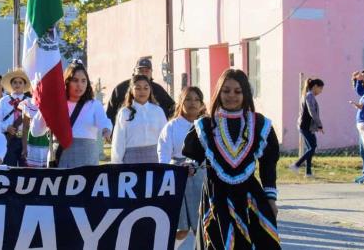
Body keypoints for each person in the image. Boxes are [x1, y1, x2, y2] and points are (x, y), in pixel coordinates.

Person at [183, 69, 280, 249]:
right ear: (219, 92)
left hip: (249, 198)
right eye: (226, 91)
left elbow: (268, 164)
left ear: (246, 93)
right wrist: (190, 167)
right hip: (216, 198)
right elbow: (193, 159)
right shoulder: (204, 125)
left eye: (237, 91)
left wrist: (270, 199)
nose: (231, 96)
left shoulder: (260, 124)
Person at [30, 60, 112, 168]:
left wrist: (106, 130)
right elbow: (36, 132)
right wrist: (46, 107)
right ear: (67, 82)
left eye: (83, 81)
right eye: (75, 80)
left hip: (86, 161)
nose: (79, 85)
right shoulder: (56, 104)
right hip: (60, 159)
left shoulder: (94, 104)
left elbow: (104, 121)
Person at [157, 86, 207, 249]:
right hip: (178, 178)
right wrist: (168, 177)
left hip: (201, 177)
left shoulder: (206, 126)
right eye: (188, 99)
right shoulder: (171, 127)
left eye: (196, 99)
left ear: (201, 103)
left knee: (203, 225)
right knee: (181, 228)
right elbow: (163, 154)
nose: (192, 103)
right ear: (181, 102)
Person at [110, 74, 166, 163]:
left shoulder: (158, 111)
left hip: (155, 160)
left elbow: (165, 139)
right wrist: (117, 163)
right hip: (131, 160)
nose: (142, 91)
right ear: (131, 90)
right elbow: (118, 141)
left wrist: (165, 160)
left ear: (150, 90)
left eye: (146, 88)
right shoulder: (124, 112)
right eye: (138, 88)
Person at [106, 58, 175, 123]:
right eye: (141, 71)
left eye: (146, 71)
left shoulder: (158, 90)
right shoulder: (120, 89)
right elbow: (110, 113)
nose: (144, 73)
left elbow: (172, 108)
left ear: (151, 72)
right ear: (134, 71)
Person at [0, 69, 32, 167]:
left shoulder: (30, 102)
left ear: (24, 85)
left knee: (25, 170)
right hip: (9, 139)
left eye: (20, 82)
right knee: (8, 168)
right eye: (15, 82)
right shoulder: (3, 101)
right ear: (11, 85)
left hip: (26, 141)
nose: (17, 85)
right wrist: (6, 127)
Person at [289, 78, 325, 177]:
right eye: (320, 89)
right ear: (315, 87)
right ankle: (296, 165)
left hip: (307, 126)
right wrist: (319, 125)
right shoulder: (309, 96)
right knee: (312, 147)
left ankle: (308, 173)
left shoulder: (309, 95)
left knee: (311, 147)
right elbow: (312, 112)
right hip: (305, 126)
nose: (321, 91)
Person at [351, 70, 364, 181]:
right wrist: (356, 80)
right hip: (362, 126)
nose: (363, 81)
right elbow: (360, 91)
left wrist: (363, 107)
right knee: (363, 151)